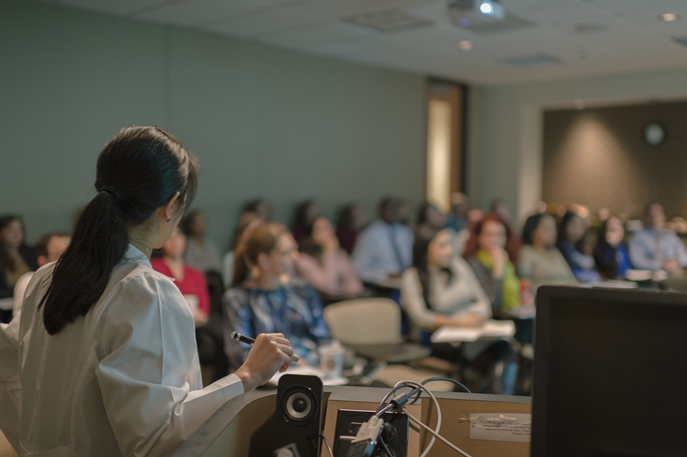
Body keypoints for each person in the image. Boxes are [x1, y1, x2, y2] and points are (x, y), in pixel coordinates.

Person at [0, 126, 293, 456]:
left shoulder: (44, 278)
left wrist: (31, 445)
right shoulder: (146, 293)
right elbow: (156, 439)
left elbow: (6, 368)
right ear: (171, 205)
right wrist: (248, 375)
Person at [400, 228, 518, 395]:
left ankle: (498, 402)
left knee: (505, 348)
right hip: (440, 337)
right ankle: (496, 403)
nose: (449, 250)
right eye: (442, 246)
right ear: (425, 248)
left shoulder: (458, 265)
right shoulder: (413, 276)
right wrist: (459, 322)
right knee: (499, 356)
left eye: (450, 244)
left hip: (472, 330)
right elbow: (419, 317)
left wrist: (480, 315)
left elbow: (483, 299)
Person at [224, 222, 330, 370]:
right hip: (268, 381)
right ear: (264, 260)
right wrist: (293, 364)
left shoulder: (302, 289)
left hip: (316, 373)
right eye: (286, 253)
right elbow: (241, 355)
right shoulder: (239, 298)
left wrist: (326, 361)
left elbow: (324, 338)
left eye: (295, 249)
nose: (295, 257)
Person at [464, 215, 532, 346]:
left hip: (513, 316)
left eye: (499, 235)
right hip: (490, 321)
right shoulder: (474, 263)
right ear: (479, 238)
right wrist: (498, 271)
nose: (494, 240)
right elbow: (492, 303)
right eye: (489, 235)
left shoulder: (508, 262)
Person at [151, 227, 210, 326]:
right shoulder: (153, 268)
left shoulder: (196, 274)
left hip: (196, 329)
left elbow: (204, 312)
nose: (174, 241)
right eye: (169, 237)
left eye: (178, 235)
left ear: (184, 238)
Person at [296, 216, 363, 299]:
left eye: (329, 227)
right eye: (321, 229)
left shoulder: (340, 254)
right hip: (325, 305)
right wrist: (329, 252)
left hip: (347, 301)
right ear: (310, 237)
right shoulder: (303, 260)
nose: (329, 232)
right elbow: (329, 289)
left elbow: (356, 284)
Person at [353, 197, 414, 285]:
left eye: (396, 208)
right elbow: (358, 269)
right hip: (383, 286)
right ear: (380, 211)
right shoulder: (369, 235)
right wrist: (385, 275)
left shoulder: (406, 233)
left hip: (408, 282)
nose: (394, 212)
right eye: (390, 208)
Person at [13, 232, 71, 317]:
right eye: (60, 256)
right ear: (42, 261)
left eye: (72, 255)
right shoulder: (29, 282)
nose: (69, 261)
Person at [518, 213, 577, 292]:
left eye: (554, 228)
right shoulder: (527, 252)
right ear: (533, 231)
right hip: (544, 300)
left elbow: (571, 279)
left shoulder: (555, 252)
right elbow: (524, 284)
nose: (553, 232)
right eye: (547, 228)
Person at [629, 202, 687, 276]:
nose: (655, 217)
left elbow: (684, 257)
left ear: (664, 216)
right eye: (652, 214)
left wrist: (676, 262)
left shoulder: (671, 235)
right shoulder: (638, 236)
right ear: (645, 217)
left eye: (658, 214)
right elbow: (637, 261)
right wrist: (661, 265)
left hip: (673, 273)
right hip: (649, 274)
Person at [0, 215, 38, 323]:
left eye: (19, 229)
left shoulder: (31, 253)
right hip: (5, 308)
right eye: (11, 230)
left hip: (31, 301)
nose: (16, 234)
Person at [556, 211, 602, 283]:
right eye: (574, 225)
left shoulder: (578, 248)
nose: (577, 229)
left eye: (580, 225)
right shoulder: (561, 247)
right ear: (564, 224)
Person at [222, 212, 263, 288]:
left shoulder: (264, 257)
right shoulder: (231, 258)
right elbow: (229, 286)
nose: (257, 236)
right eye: (253, 231)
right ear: (242, 234)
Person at [181, 209, 223, 273]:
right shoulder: (184, 246)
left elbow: (217, 269)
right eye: (197, 222)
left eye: (202, 221)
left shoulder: (212, 247)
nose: (200, 225)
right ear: (190, 225)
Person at [593, 215, 632, 280]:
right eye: (612, 229)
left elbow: (628, 269)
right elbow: (612, 273)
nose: (617, 231)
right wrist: (613, 247)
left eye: (619, 226)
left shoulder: (624, 246)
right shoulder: (600, 250)